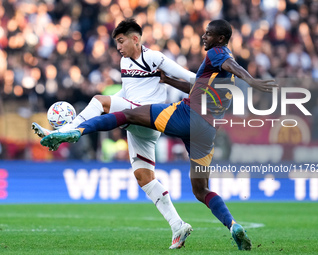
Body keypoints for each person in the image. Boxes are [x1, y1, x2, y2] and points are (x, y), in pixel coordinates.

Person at [40, 19, 278, 251]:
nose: (203, 36)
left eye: (208, 33)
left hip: (184, 115)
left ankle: (75, 131)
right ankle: (224, 225)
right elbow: (198, 87)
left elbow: (211, 70)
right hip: (206, 131)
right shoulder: (221, 79)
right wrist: (167, 80)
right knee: (189, 187)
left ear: (221, 38)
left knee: (120, 111)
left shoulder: (216, 53)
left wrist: (252, 81)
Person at [33, 19, 196, 249]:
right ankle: (177, 225)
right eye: (116, 43)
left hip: (149, 115)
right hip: (139, 124)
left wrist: (212, 85)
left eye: (121, 41)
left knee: (100, 101)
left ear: (135, 39)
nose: (118, 47)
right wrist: (112, 102)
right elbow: (127, 91)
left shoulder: (154, 58)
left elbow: (189, 76)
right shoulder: (124, 61)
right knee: (144, 177)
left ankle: (64, 131)